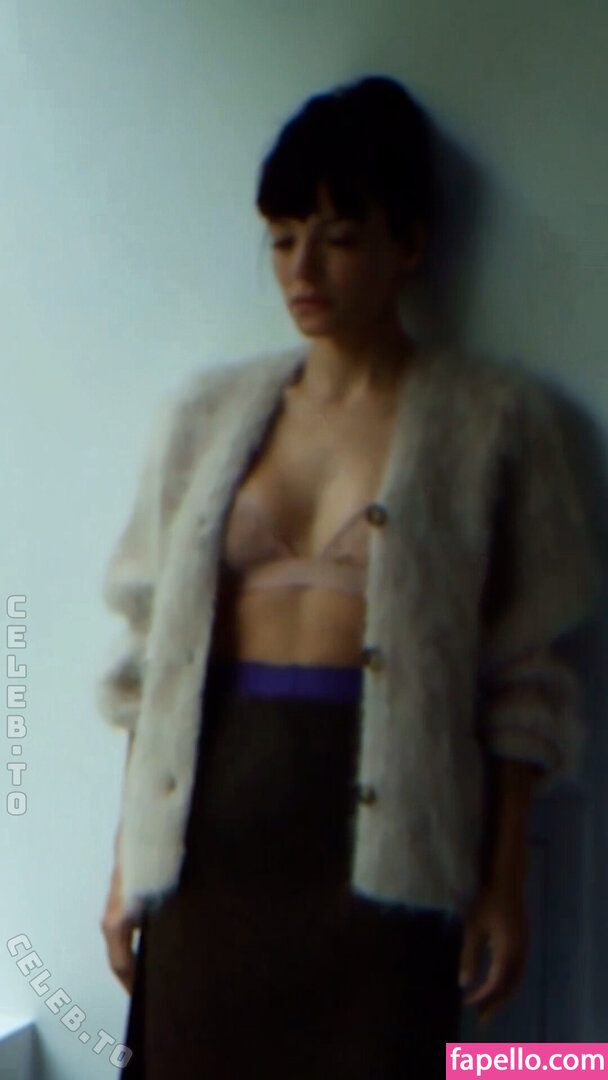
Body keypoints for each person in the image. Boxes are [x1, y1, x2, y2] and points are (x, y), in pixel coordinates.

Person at [98, 76, 600, 1078]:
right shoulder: (205, 418)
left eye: (338, 237)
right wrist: (126, 864)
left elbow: (525, 680)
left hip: (388, 865)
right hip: (206, 862)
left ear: (408, 243)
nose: (303, 268)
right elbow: (151, 662)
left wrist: (503, 881)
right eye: (283, 238)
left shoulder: (491, 424)